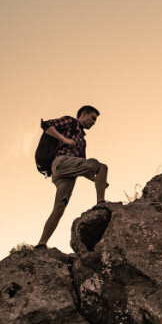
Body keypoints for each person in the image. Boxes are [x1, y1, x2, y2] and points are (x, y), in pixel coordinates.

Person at [36, 105, 108, 248]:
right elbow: (47, 125)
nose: (93, 122)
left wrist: (97, 179)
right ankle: (101, 204)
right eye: (92, 118)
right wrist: (64, 139)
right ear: (84, 114)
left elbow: (84, 168)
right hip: (61, 162)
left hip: (67, 174)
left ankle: (41, 243)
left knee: (60, 207)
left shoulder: (82, 140)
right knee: (102, 166)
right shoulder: (71, 122)